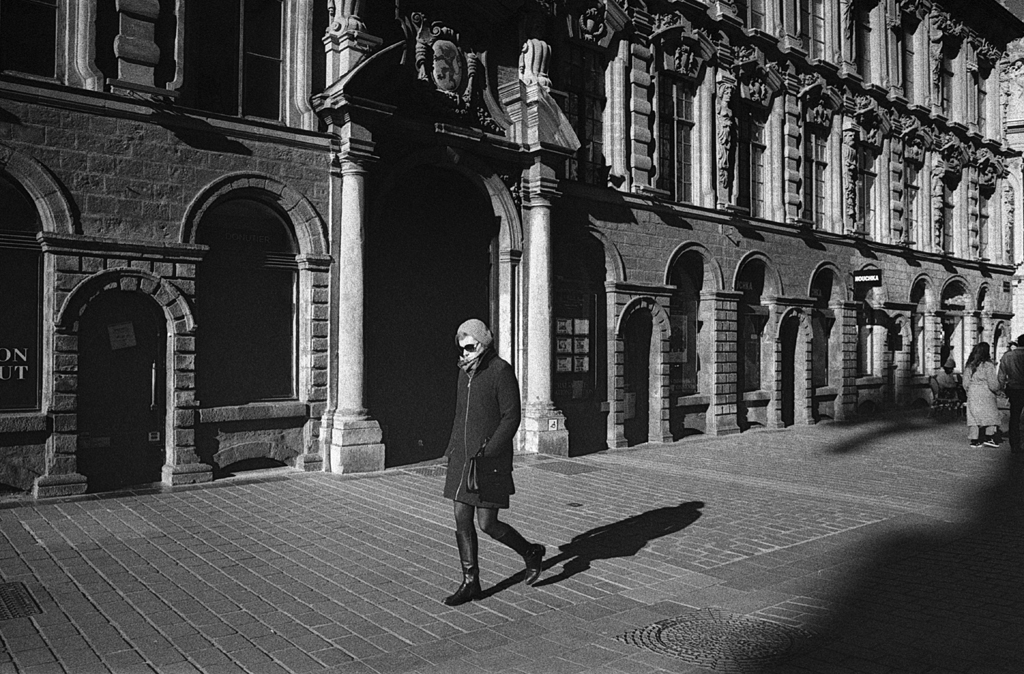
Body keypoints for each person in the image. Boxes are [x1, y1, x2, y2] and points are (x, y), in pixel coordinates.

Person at [441, 319, 544, 606]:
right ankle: (471, 581)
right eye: (461, 349)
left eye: (470, 347)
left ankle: (531, 552)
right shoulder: (465, 374)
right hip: (462, 459)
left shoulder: (500, 371)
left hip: (488, 460)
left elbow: (512, 417)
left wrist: (491, 451)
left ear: (483, 344)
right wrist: (451, 449)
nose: (464, 354)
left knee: (487, 523)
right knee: (461, 517)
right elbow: (460, 415)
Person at [963, 343, 1002, 448]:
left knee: (973, 416)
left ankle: (974, 440)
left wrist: (969, 390)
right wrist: (998, 390)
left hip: (972, 392)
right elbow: (993, 384)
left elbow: (965, 383)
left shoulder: (969, 365)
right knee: (990, 414)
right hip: (986, 393)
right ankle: (990, 437)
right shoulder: (988, 365)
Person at [998, 334, 1024, 453]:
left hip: (1014, 389)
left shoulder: (1008, 356)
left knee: (1014, 417)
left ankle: (1015, 444)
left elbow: (1001, 375)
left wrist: (1001, 389)